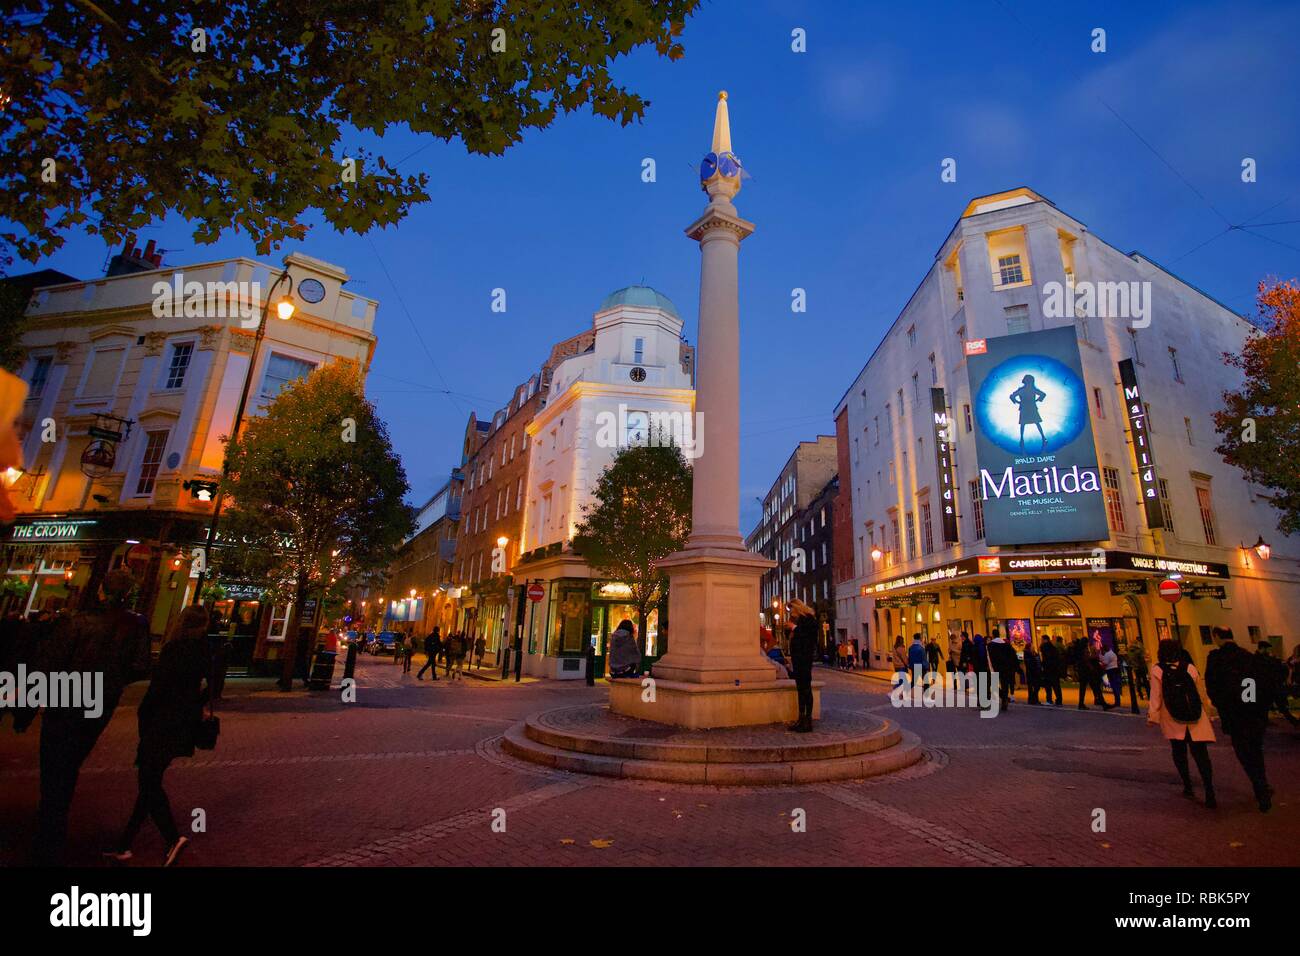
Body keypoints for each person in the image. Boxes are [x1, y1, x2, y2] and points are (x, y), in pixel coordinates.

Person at [29, 569, 152, 866]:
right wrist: (115, 679)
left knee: (55, 766)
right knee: (70, 762)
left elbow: (47, 662)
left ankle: (50, 833)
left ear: (101, 591)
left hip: (66, 698)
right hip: (100, 703)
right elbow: (141, 665)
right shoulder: (136, 625)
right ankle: (53, 824)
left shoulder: (79, 622)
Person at [105, 606, 212, 866]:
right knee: (149, 783)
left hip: (161, 724)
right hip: (182, 726)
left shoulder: (174, 650)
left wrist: (144, 716)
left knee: (149, 782)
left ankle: (173, 838)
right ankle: (124, 844)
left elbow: (158, 690)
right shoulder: (204, 653)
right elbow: (206, 689)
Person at [1205, 627, 1275, 812]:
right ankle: (1262, 785)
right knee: (1256, 751)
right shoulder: (1247, 656)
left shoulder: (1216, 658)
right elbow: (1255, 682)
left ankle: (1260, 786)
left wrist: (1222, 704)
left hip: (1234, 715)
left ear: (1217, 637)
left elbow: (1212, 686)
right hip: (1252, 712)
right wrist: (1251, 702)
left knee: (1243, 753)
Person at [1148, 638, 1216, 808]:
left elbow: (1156, 695)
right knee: (1201, 754)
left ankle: (1187, 785)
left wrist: (1153, 716)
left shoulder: (1157, 669)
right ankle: (1209, 789)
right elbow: (1201, 692)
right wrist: (1208, 713)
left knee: (1178, 751)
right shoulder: (1190, 667)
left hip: (1172, 715)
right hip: (1195, 716)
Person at [787, 600, 817, 732]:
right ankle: (801, 718)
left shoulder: (808, 619)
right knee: (800, 689)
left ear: (797, 607)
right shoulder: (799, 620)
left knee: (806, 688)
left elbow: (807, 637)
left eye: (791, 609)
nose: (791, 613)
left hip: (805, 658)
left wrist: (793, 628)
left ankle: (808, 721)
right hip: (798, 658)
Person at [1255, 641, 1299, 728]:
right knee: (1270, 706)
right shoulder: (1261, 659)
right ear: (1263, 648)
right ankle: (1294, 722)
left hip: (1270, 687)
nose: (1269, 650)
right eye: (1268, 649)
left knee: (1275, 706)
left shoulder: (1259, 658)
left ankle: (1294, 722)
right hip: (1266, 687)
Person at [1075, 637, 1113, 710]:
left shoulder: (1079, 650)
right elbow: (1087, 659)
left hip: (1082, 671)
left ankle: (1081, 703)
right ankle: (1103, 703)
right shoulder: (1084, 650)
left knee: (1083, 688)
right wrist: (1094, 658)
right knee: (1096, 687)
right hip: (1087, 672)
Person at [987, 630, 1018, 709]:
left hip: (995, 668)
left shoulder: (990, 645)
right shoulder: (1006, 644)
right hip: (1006, 668)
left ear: (992, 635)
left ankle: (1003, 697)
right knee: (1005, 684)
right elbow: (1013, 655)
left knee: (993, 685)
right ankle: (1004, 699)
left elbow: (989, 658)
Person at [1038, 635, 1063, 706]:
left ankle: (1049, 700)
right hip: (1055, 669)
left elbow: (1045, 659)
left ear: (1045, 640)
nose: (1041, 641)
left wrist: (1043, 665)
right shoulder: (1053, 648)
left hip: (1048, 669)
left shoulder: (1044, 647)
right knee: (1056, 686)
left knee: (1048, 685)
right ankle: (1059, 700)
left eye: (1042, 639)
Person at [1099, 641, 1123, 707]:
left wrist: (1100, 662)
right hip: (1115, 669)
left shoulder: (1107, 655)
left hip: (1110, 670)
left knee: (1114, 686)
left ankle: (1117, 701)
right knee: (1116, 685)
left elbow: (1105, 663)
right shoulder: (1113, 653)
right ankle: (1118, 701)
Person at [1023, 639, 1042, 705]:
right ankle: (1033, 699)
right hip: (1032, 673)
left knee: (1036, 686)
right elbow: (1029, 664)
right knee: (1033, 687)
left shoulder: (1034, 653)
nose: (1033, 647)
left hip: (1035, 672)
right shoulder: (1028, 654)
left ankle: (1033, 699)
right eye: (1032, 646)